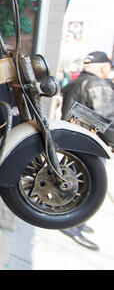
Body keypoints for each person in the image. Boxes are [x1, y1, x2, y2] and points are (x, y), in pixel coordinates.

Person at [59, 50, 114, 251]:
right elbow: (107, 122)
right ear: (103, 67)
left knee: (72, 181)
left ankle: (67, 217)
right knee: (88, 188)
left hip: (72, 137)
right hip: (91, 143)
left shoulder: (76, 82)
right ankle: (72, 223)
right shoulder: (98, 86)